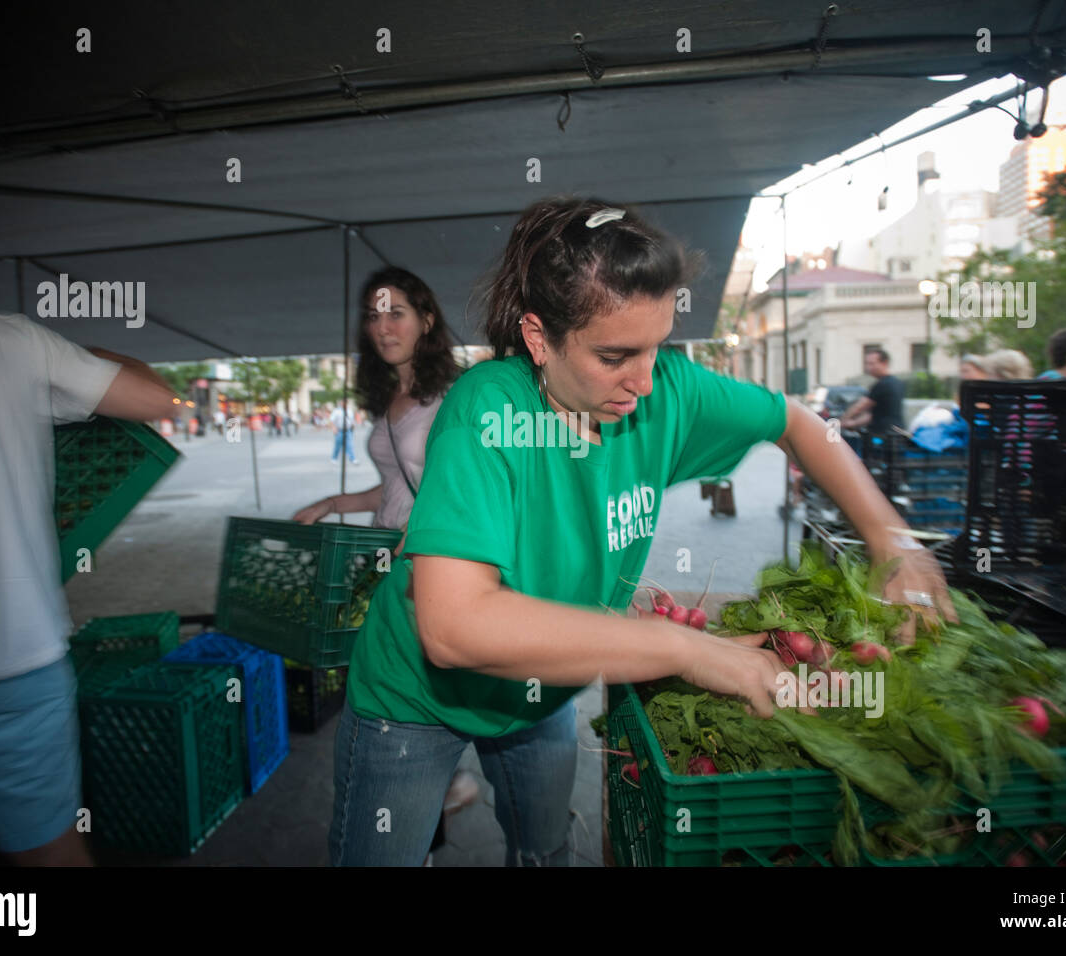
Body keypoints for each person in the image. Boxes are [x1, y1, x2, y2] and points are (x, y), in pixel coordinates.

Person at [327, 198, 955, 867]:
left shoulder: (667, 393)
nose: (646, 382)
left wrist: (895, 540)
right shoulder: (488, 408)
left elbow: (797, 422)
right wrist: (682, 649)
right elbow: (454, 628)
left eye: (657, 347)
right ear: (539, 338)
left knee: (545, 852)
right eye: (615, 355)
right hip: (414, 701)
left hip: (542, 689)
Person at [0, 290, 178, 866]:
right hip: (17, 652)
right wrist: (82, 357)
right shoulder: (8, 338)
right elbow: (156, 397)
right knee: (51, 848)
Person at [291, 266, 470, 861]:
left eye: (396, 312)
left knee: (410, 701)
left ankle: (429, 808)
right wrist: (333, 503)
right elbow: (394, 485)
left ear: (427, 319)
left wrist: (424, 540)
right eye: (373, 314)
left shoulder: (455, 396)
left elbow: (469, 490)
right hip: (385, 567)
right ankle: (428, 816)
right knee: (399, 696)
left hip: (430, 569)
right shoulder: (390, 394)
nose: (382, 325)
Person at [839, 348, 905, 435]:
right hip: (895, 432)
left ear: (884, 363)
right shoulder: (897, 382)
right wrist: (853, 423)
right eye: (866, 364)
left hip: (882, 434)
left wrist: (841, 421)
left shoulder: (884, 384)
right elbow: (874, 415)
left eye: (872, 363)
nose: (868, 367)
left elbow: (860, 406)